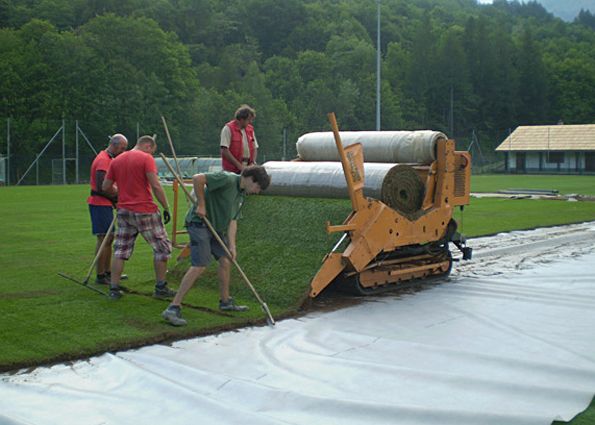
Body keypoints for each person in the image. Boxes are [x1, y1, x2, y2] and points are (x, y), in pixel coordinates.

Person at [161, 166, 271, 326]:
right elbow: (198, 178)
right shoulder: (227, 179)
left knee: (226, 260)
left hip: (216, 229)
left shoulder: (241, 194)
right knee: (199, 265)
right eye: (258, 187)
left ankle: (225, 301)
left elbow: (233, 221)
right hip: (199, 224)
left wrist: (232, 246)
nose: (257, 191)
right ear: (250, 179)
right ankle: (173, 307)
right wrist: (201, 205)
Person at [102, 135, 175, 300]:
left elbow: (105, 186)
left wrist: (123, 192)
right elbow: (156, 185)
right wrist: (166, 207)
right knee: (162, 248)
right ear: (148, 146)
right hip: (145, 210)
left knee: (120, 250)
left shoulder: (117, 160)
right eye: (152, 150)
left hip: (124, 211)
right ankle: (161, 287)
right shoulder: (146, 158)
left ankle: (113, 289)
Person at [87, 134, 128, 285]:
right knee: (104, 238)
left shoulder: (110, 159)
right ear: (115, 145)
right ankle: (100, 275)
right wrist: (116, 199)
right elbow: (101, 187)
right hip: (99, 203)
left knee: (109, 238)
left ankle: (108, 272)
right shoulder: (103, 160)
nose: (123, 151)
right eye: (122, 148)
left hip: (105, 204)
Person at [220, 104, 259, 173]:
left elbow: (254, 147)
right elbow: (224, 150)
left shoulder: (250, 130)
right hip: (231, 170)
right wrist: (239, 166)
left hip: (248, 167)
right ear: (241, 119)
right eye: (248, 120)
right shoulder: (228, 129)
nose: (250, 122)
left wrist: (253, 162)